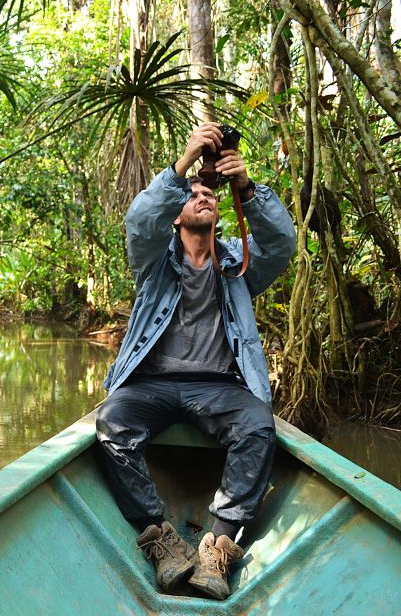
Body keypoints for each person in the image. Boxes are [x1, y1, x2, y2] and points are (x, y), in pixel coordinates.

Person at [96, 122, 296, 600]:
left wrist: (246, 187)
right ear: (177, 217)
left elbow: (283, 241)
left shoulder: (239, 266)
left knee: (258, 426)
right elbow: (140, 221)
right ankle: (161, 537)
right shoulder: (154, 262)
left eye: (211, 195)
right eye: (193, 195)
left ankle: (218, 544)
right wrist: (184, 162)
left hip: (219, 387)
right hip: (153, 385)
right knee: (110, 423)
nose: (204, 197)